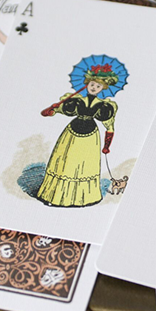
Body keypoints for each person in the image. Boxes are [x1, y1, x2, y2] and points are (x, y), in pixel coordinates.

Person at [35, 65, 118, 208]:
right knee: (65, 162)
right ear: (87, 84)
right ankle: (55, 197)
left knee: (84, 165)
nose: (94, 88)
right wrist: (52, 110)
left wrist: (106, 146)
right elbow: (55, 111)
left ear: (102, 89)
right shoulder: (76, 100)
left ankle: (82, 199)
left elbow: (109, 127)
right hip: (71, 134)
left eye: (98, 86)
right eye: (92, 84)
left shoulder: (104, 106)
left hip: (90, 138)